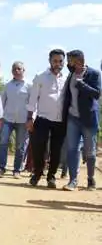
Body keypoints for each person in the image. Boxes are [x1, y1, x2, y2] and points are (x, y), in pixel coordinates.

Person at [26, 49, 67, 188]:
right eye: (55, 61)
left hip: (60, 120)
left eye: (60, 61)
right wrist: (29, 118)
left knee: (56, 150)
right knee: (38, 148)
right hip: (42, 118)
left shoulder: (66, 78)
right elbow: (32, 99)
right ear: (50, 61)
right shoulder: (40, 77)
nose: (58, 64)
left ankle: (51, 177)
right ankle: (37, 174)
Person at [61, 50, 100, 191]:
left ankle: (91, 180)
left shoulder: (94, 74)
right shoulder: (70, 75)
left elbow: (97, 94)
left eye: (71, 60)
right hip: (73, 118)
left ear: (80, 60)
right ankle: (73, 180)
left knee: (90, 151)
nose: (69, 63)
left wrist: (82, 84)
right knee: (72, 149)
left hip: (89, 119)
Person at [0, 61, 31, 178]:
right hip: (7, 119)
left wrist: (31, 119)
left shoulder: (29, 86)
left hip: (23, 120)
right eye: (14, 69)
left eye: (19, 69)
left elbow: (32, 104)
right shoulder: (7, 86)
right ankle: (1, 168)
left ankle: (17, 170)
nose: (16, 71)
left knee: (20, 146)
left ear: (24, 71)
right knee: (3, 143)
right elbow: (2, 102)